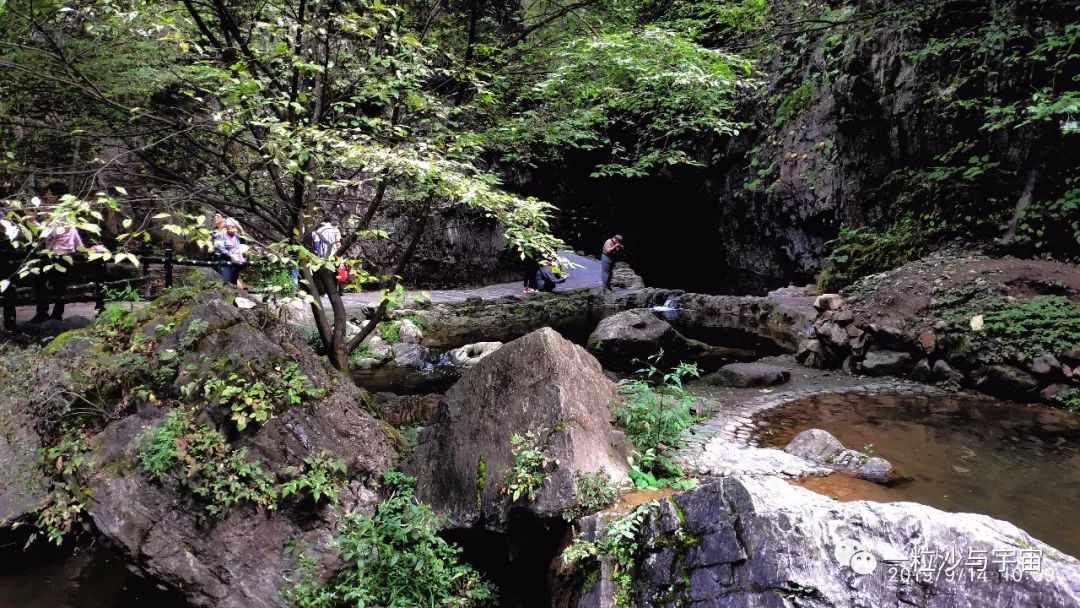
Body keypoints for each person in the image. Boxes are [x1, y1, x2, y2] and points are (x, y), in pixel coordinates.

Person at [30, 184, 85, 322]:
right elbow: (74, 232)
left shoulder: (60, 214)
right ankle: (52, 314)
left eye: (50, 194)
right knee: (55, 285)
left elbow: (51, 234)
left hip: (58, 254)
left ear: (57, 196)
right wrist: (81, 248)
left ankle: (48, 314)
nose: (47, 197)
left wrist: (33, 222)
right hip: (62, 253)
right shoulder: (64, 212)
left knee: (45, 283)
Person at [213, 218, 245, 285]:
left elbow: (243, 244)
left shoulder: (236, 236)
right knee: (226, 280)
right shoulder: (221, 235)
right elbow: (220, 248)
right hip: (225, 261)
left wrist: (241, 230)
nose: (233, 229)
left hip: (236, 261)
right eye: (232, 227)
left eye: (234, 227)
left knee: (234, 280)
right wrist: (230, 254)